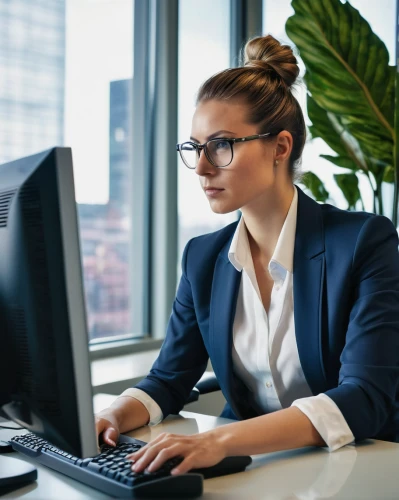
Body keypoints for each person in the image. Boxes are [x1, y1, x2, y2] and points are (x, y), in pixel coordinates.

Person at [95, 34, 399, 476]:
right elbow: (167, 380)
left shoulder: (363, 242)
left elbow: (365, 396)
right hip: (258, 471)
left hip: (357, 471)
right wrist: (114, 414)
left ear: (280, 147)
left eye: (221, 145)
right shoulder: (203, 257)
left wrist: (219, 439)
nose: (201, 167)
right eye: (195, 148)